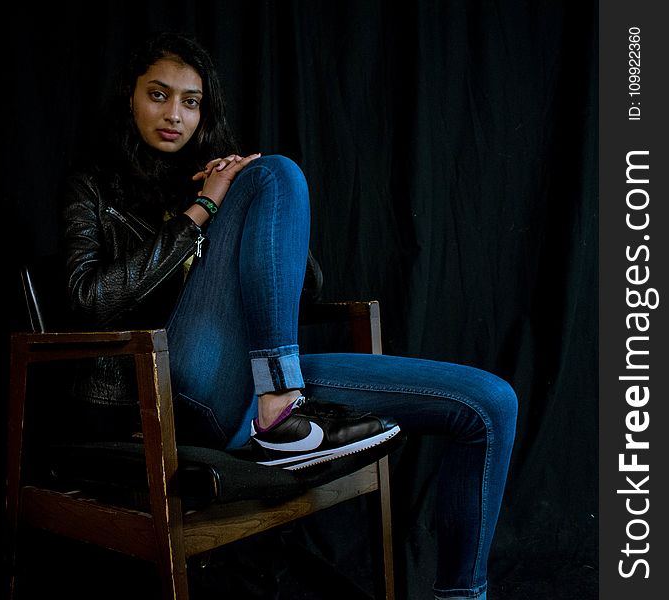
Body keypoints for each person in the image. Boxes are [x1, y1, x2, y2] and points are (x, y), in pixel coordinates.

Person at [61, 31, 517, 600]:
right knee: (278, 172)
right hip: (166, 393)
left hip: (257, 385)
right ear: (129, 97)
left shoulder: (219, 182)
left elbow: (305, 289)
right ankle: (281, 410)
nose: (175, 114)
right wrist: (200, 214)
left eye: (191, 101)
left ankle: (461, 594)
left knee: (490, 404)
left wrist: (244, 206)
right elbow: (87, 297)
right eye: (158, 95)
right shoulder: (93, 188)